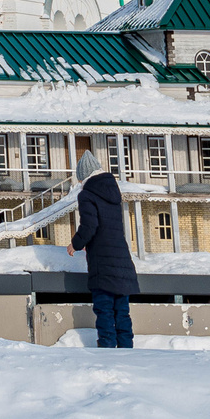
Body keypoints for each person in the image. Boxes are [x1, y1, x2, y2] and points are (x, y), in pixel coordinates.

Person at [69, 149, 137, 348]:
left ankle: (107, 352)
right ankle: (127, 350)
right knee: (122, 312)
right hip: (122, 261)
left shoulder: (87, 195)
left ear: (84, 176)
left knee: (105, 310)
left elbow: (89, 226)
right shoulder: (113, 192)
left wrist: (76, 243)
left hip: (103, 263)